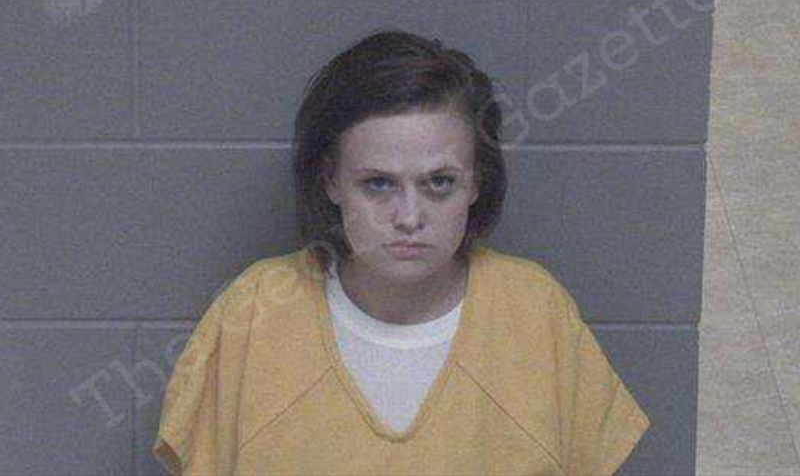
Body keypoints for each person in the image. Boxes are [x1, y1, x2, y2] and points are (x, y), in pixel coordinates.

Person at [152, 29, 651, 475]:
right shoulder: (254, 313)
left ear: (477, 182)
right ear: (330, 180)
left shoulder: (535, 312)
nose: (409, 217)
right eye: (378, 184)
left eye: (439, 182)